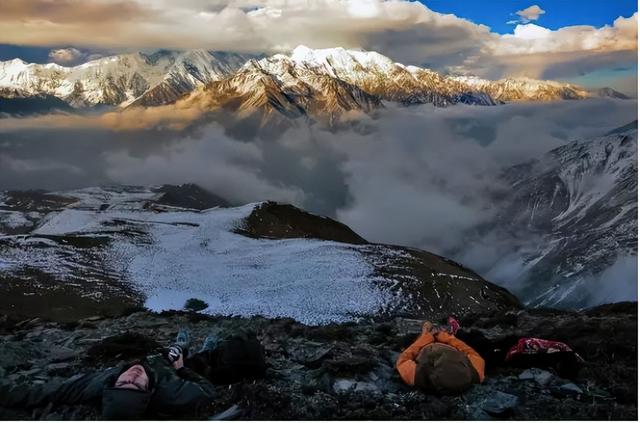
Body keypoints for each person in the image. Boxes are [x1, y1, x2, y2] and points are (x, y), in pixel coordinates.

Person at [0, 331, 217, 420]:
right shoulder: (171, 392)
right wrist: (180, 369)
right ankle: (183, 344)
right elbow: (208, 390)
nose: (133, 375)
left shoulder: (97, 384)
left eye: (124, 382)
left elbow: (38, 393)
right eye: (137, 384)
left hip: (144, 359)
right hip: (166, 365)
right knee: (183, 352)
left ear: (114, 383)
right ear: (148, 391)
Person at [396, 317, 485, 395]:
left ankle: (426, 333)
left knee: (408, 342)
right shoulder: (474, 374)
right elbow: (473, 354)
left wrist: (425, 338)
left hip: (429, 347)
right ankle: (446, 332)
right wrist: (447, 338)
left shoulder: (418, 377)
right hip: (443, 347)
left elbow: (403, 359)